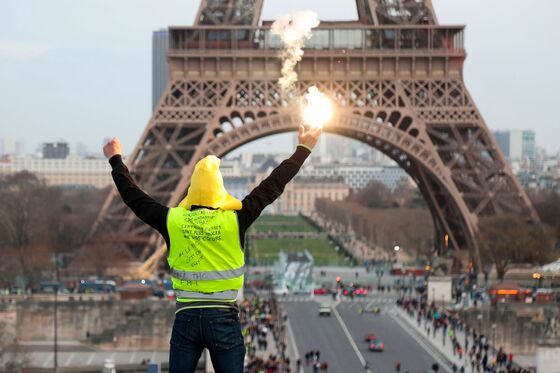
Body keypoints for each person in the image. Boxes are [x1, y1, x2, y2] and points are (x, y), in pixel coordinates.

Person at [103, 124, 322, 373]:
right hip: (223, 317)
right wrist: (304, 148)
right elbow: (272, 186)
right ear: (220, 191)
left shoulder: (173, 220)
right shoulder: (235, 220)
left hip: (186, 317)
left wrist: (116, 160)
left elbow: (135, 198)